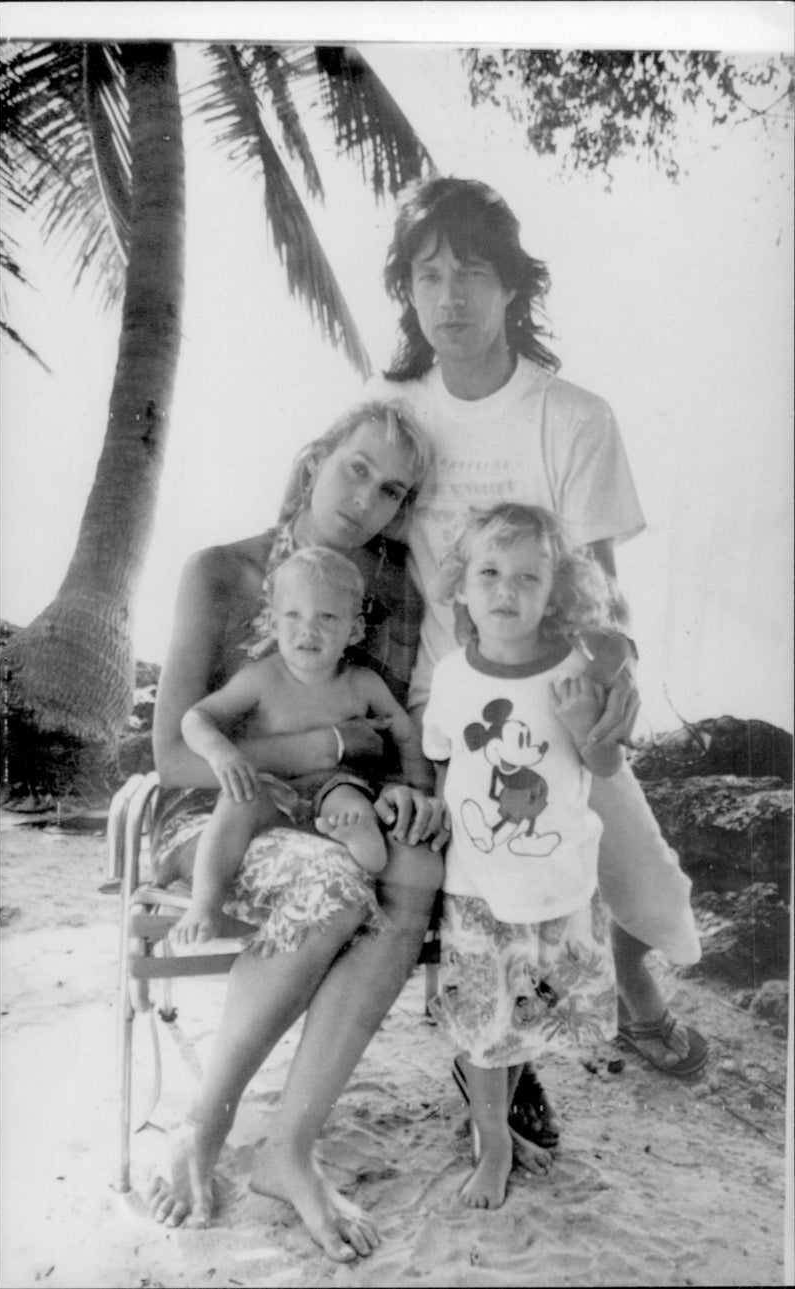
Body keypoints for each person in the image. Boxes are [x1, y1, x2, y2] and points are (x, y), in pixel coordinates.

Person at [362, 176, 707, 1120]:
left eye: (474, 273)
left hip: (558, 702)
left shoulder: (575, 416)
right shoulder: (393, 408)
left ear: (514, 288)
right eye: (429, 276)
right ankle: (510, 1075)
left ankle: (635, 1003)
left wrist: (616, 672)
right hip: (444, 706)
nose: (451, 298)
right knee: (482, 886)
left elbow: (598, 584)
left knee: (655, 895)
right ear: (409, 291)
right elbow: (345, 528)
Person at [148, 399, 447, 1261]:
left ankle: (290, 1148)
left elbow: (387, 731)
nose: (367, 499)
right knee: (328, 885)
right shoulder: (220, 571)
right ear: (318, 457)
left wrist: (407, 796)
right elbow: (174, 753)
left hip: (327, 809)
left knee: (415, 866)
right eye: (357, 468)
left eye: (392, 490)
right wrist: (317, 745)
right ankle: (206, 1126)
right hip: (216, 814)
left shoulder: (387, 597)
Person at [423, 502, 625, 1209]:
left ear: (554, 590)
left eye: (528, 577)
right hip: (479, 885)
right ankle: (495, 1143)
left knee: (531, 1016)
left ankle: (499, 1124)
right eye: (489, 572)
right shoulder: (452, 675)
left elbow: (602, 761)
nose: (506, 590)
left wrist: (580, 721)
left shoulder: (574, 669)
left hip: (559, 884)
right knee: (486, 1027)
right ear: (463, 586)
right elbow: (443, 759)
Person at [173, 546, 433, 946]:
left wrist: (418, 783)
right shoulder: (261, 678)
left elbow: (403, 730)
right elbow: (196, 718)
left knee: (353, 801)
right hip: (271, 788)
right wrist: (220, 752)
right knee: (235, 803)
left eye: (326, 617)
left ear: (354, 630)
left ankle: (359, 838)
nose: (307, 630)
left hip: (335, 786)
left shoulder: (362, 683)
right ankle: (205, 904)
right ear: (273, 623)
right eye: (293, 615)